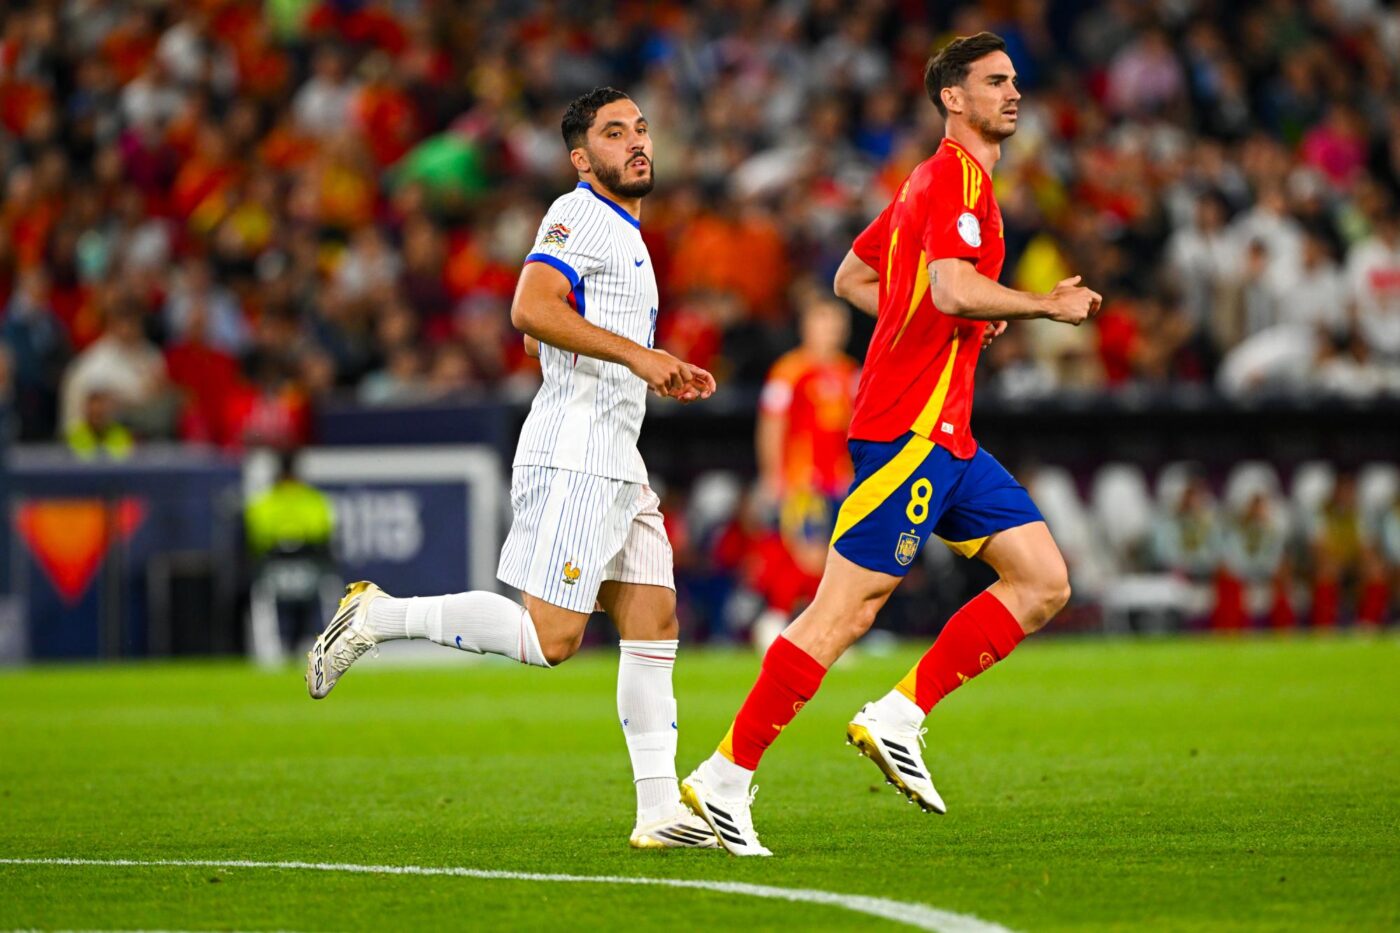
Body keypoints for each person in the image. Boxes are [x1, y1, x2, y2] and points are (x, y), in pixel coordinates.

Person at [680, 33, 1101, 856]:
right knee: (842, 612)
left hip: (950, 436)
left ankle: (898, 713)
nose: (1014, 93)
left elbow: (853, 279)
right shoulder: (951, 178)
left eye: (1016, 80)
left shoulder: (937, 183)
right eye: (995, 81)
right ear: (952, 96)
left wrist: (916, 324)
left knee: (1043, 579)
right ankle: (725, 777)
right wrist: (1042, 306)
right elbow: (947, 286)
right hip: (910, 434)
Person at [305, 88, 720, 850]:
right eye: (614, 133)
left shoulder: (624, 229)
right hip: (577, 451)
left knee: (653, 620)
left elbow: (545, 337)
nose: (636, 143)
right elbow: (528, 310)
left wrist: (611, 352)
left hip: (614, 452)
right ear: (579, 157)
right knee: (550, 637)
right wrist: (640, 356)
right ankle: (376, 615)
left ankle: (659, 811)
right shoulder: (581, 213)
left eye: (641, 129)